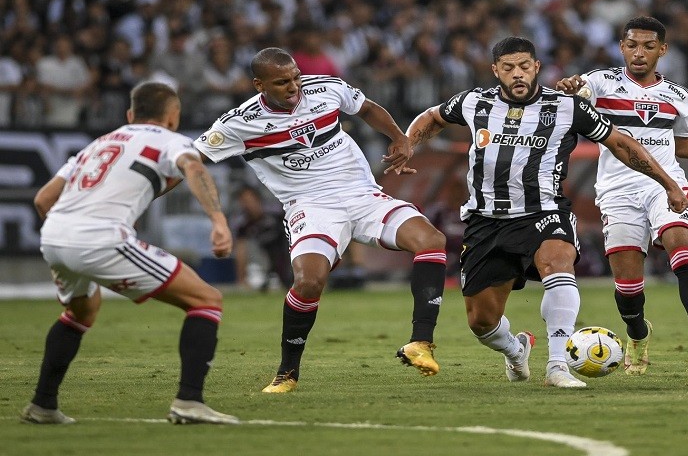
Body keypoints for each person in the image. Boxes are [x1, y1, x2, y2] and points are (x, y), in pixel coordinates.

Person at [403, 36, 688, 389]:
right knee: (481, 322)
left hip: (545, 210)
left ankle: (557, 366)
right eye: (508, 69)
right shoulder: (474, 102)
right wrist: (407, 145)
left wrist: (668, 183)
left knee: (557, 260)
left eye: (525, 66)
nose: (518, 74)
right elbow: (432, 118)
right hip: (485, 220)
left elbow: (622, 144)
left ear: (536, 67)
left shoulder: (569, 108)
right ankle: (515, 350)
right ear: (496, 71)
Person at [194, 48, 447, 393]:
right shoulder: (239, 122)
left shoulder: (325, 87)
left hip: (361, 195)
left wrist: (399, 138)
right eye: (282, 82)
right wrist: (147, 187)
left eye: (296, 76)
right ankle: (287, 371)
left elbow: (368, 108)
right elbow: (190, 161)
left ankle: (421, 342)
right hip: (311, 207)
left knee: (431, 240)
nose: (294, 86)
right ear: (259, 85)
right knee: (309, 283)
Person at [554, 15, 688, 376]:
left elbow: (681, 143)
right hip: (616, 189)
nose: (639, 53)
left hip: (666, 184)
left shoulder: (678, 96)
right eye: (632, 45)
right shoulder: (600, 83)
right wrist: (569, 86)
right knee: (628, 286)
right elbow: (575, 95)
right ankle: (637, 334)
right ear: (622, 47)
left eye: (649, 46)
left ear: (663, 50)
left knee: (682, 248)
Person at [22, 82, 238, 425]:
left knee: (82, 310)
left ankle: (43, 405)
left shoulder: (98, 144)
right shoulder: (171, 140)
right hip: (101, 237)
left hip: (55, 235)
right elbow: (194, 169)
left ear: (129, 115)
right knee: (206, 299)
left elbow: (42, 200)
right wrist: (219, 221)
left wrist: (70, 243)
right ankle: (189, 401)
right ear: (172, 117)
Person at [232, 184, 292, 291]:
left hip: (287, 247)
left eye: (250, 200)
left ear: (257, 199)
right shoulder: (243, 223)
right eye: (244, 201)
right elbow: (241, 250)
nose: (248, 204)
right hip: (268, 255)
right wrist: (241, 278)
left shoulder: (276, 212)